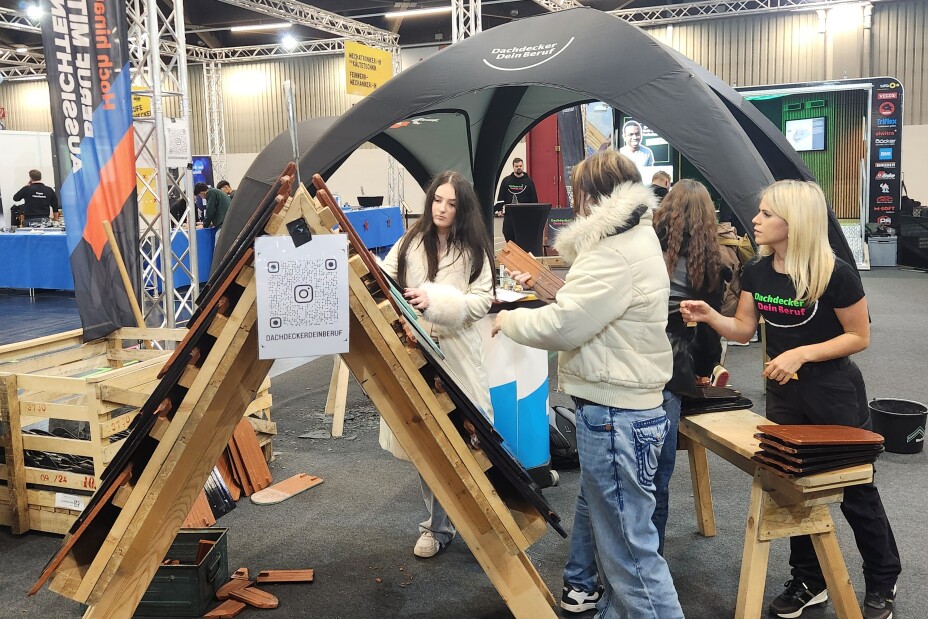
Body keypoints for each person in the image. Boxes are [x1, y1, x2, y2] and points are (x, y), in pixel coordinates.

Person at [681, 180, 901, 619]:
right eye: (758, 212)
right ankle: (809, 578)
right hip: (784, 394)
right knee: (793, 486)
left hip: (835, 395)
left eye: (766, 214)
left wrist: (800, 352)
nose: (755, 221)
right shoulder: (758, 271)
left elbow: (859, 336)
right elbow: (744, 330)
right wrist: (710, 317)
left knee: (856, 490)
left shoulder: (834, 272)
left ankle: (882, 578)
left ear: (793, 222)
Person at [492, 150, 683, 619]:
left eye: (578, 192)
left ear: (592, 196)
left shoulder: (614, 253)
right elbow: (589, 310)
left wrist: (507, 320)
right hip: (625, 406)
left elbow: (566, 325)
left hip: (616, 412)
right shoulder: (634, 241)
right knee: (622, 540)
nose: (574, 203)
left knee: (631, 557)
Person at [379, 171, 496, 559]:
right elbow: (384, 279)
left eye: (451, 203)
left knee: (471, 440)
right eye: (437, 200)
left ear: (462, 208)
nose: (443, 209)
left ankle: (486, 525)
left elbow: (482, 301)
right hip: (416, 355)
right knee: (429, 444)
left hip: (458, 354)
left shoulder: (474, 248)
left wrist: (440, 303)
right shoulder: (410, 242)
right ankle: (436, 527)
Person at [496, 157, 539, 243]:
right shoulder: (506, 181)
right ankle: (512, 249)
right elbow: (501, 196)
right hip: (510, 214)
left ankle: (521, 252)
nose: (519, 167)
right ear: (513, 167)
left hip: (524, 214)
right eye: (516, 166)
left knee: (523, 235)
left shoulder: (529, 182)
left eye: (520, 165)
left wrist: (533, 213)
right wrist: (499, 209)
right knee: (507, 232)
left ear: (523, 166)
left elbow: (534, 199)